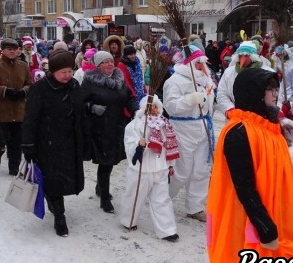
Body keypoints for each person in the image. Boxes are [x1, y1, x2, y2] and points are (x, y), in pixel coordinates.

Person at [207, 68, 293, 263]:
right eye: (269, 89)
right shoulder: (238, 133)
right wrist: (264, 226)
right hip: (245, 220)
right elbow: (244, 187)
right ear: (253, 92)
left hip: (273, 214)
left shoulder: (270, 128)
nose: (275, 94)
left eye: (276, 89)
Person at [22, 50, 85, 237]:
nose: (67, 76)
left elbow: (80, 112)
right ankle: (60, 216)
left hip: (71, 141)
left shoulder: (74, 85)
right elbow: (30, 119)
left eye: (69, 71)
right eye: (63, 72)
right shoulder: (40, 89)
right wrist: (28, 145)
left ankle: (53, 200)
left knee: (65, 179)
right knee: (54, 180)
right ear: (53, 72)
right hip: (48, 142)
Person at [163, 45, 216, 222]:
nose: (202, 67)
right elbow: (170, 106)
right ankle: (162, 199)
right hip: (182, 130)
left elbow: (210, 104)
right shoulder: (175, 81)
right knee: (181, 170)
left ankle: (195, 206)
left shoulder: (206, 80)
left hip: (203, 129)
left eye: (203, 64)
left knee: (201, 170)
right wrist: (190, 99)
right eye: (198, 64)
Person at [82, 51, 138, 214]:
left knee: (111, 160)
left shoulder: (119, 79)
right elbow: (79, 101)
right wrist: (92, 107)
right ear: (98, 66)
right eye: (105, 62)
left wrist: (136, 110)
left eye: (111, 61)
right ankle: (105, 199)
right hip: (99, 127)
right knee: (105, 162)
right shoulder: (90, 81)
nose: (109, 65)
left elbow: (129, 98)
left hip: (117, 126)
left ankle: (100, 188)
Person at [120, 95, 180, 242]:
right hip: (143, 168)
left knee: (162, 199)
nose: (153, 109)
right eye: (150, 107)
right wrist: (138, 144)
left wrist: (171, 164)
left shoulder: (164, 124)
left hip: (160, 168)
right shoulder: (136, 125)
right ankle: (129, 220)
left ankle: (167, 230)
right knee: (135, 195)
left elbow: (170, 145)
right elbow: (130, 143)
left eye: (155, 106)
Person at [0, 38, 32, 175]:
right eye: (9, 49)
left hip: (19, 109)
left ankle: (14, 167)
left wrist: (23, 91)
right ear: (2, 50)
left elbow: (30, 83)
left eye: (15, 49)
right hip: (1, 108)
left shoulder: (23, 65)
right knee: (2, 139)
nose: (13, 51)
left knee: (16, 141)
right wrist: (4, 91)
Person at [216, 41, 264, 118]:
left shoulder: (265, 72)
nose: (242, 58)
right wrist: (230, 109)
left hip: (258, 120)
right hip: (235, 119)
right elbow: (222, 93)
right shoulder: (229, 72)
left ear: (252, 56)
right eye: (240, 55)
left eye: (246, 55)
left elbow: (274, 96)